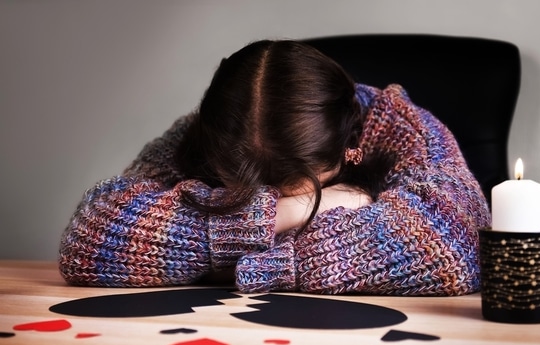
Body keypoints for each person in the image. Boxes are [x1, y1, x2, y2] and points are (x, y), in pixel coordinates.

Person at [58, 39, 491, 296]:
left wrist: (274, 265)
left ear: (344, 151)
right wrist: (292, 212)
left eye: (289, 187)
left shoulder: (397, 124)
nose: (270, 196)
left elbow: (460, 239)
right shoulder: (209, 131)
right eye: (246, 186)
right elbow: (89, 235)